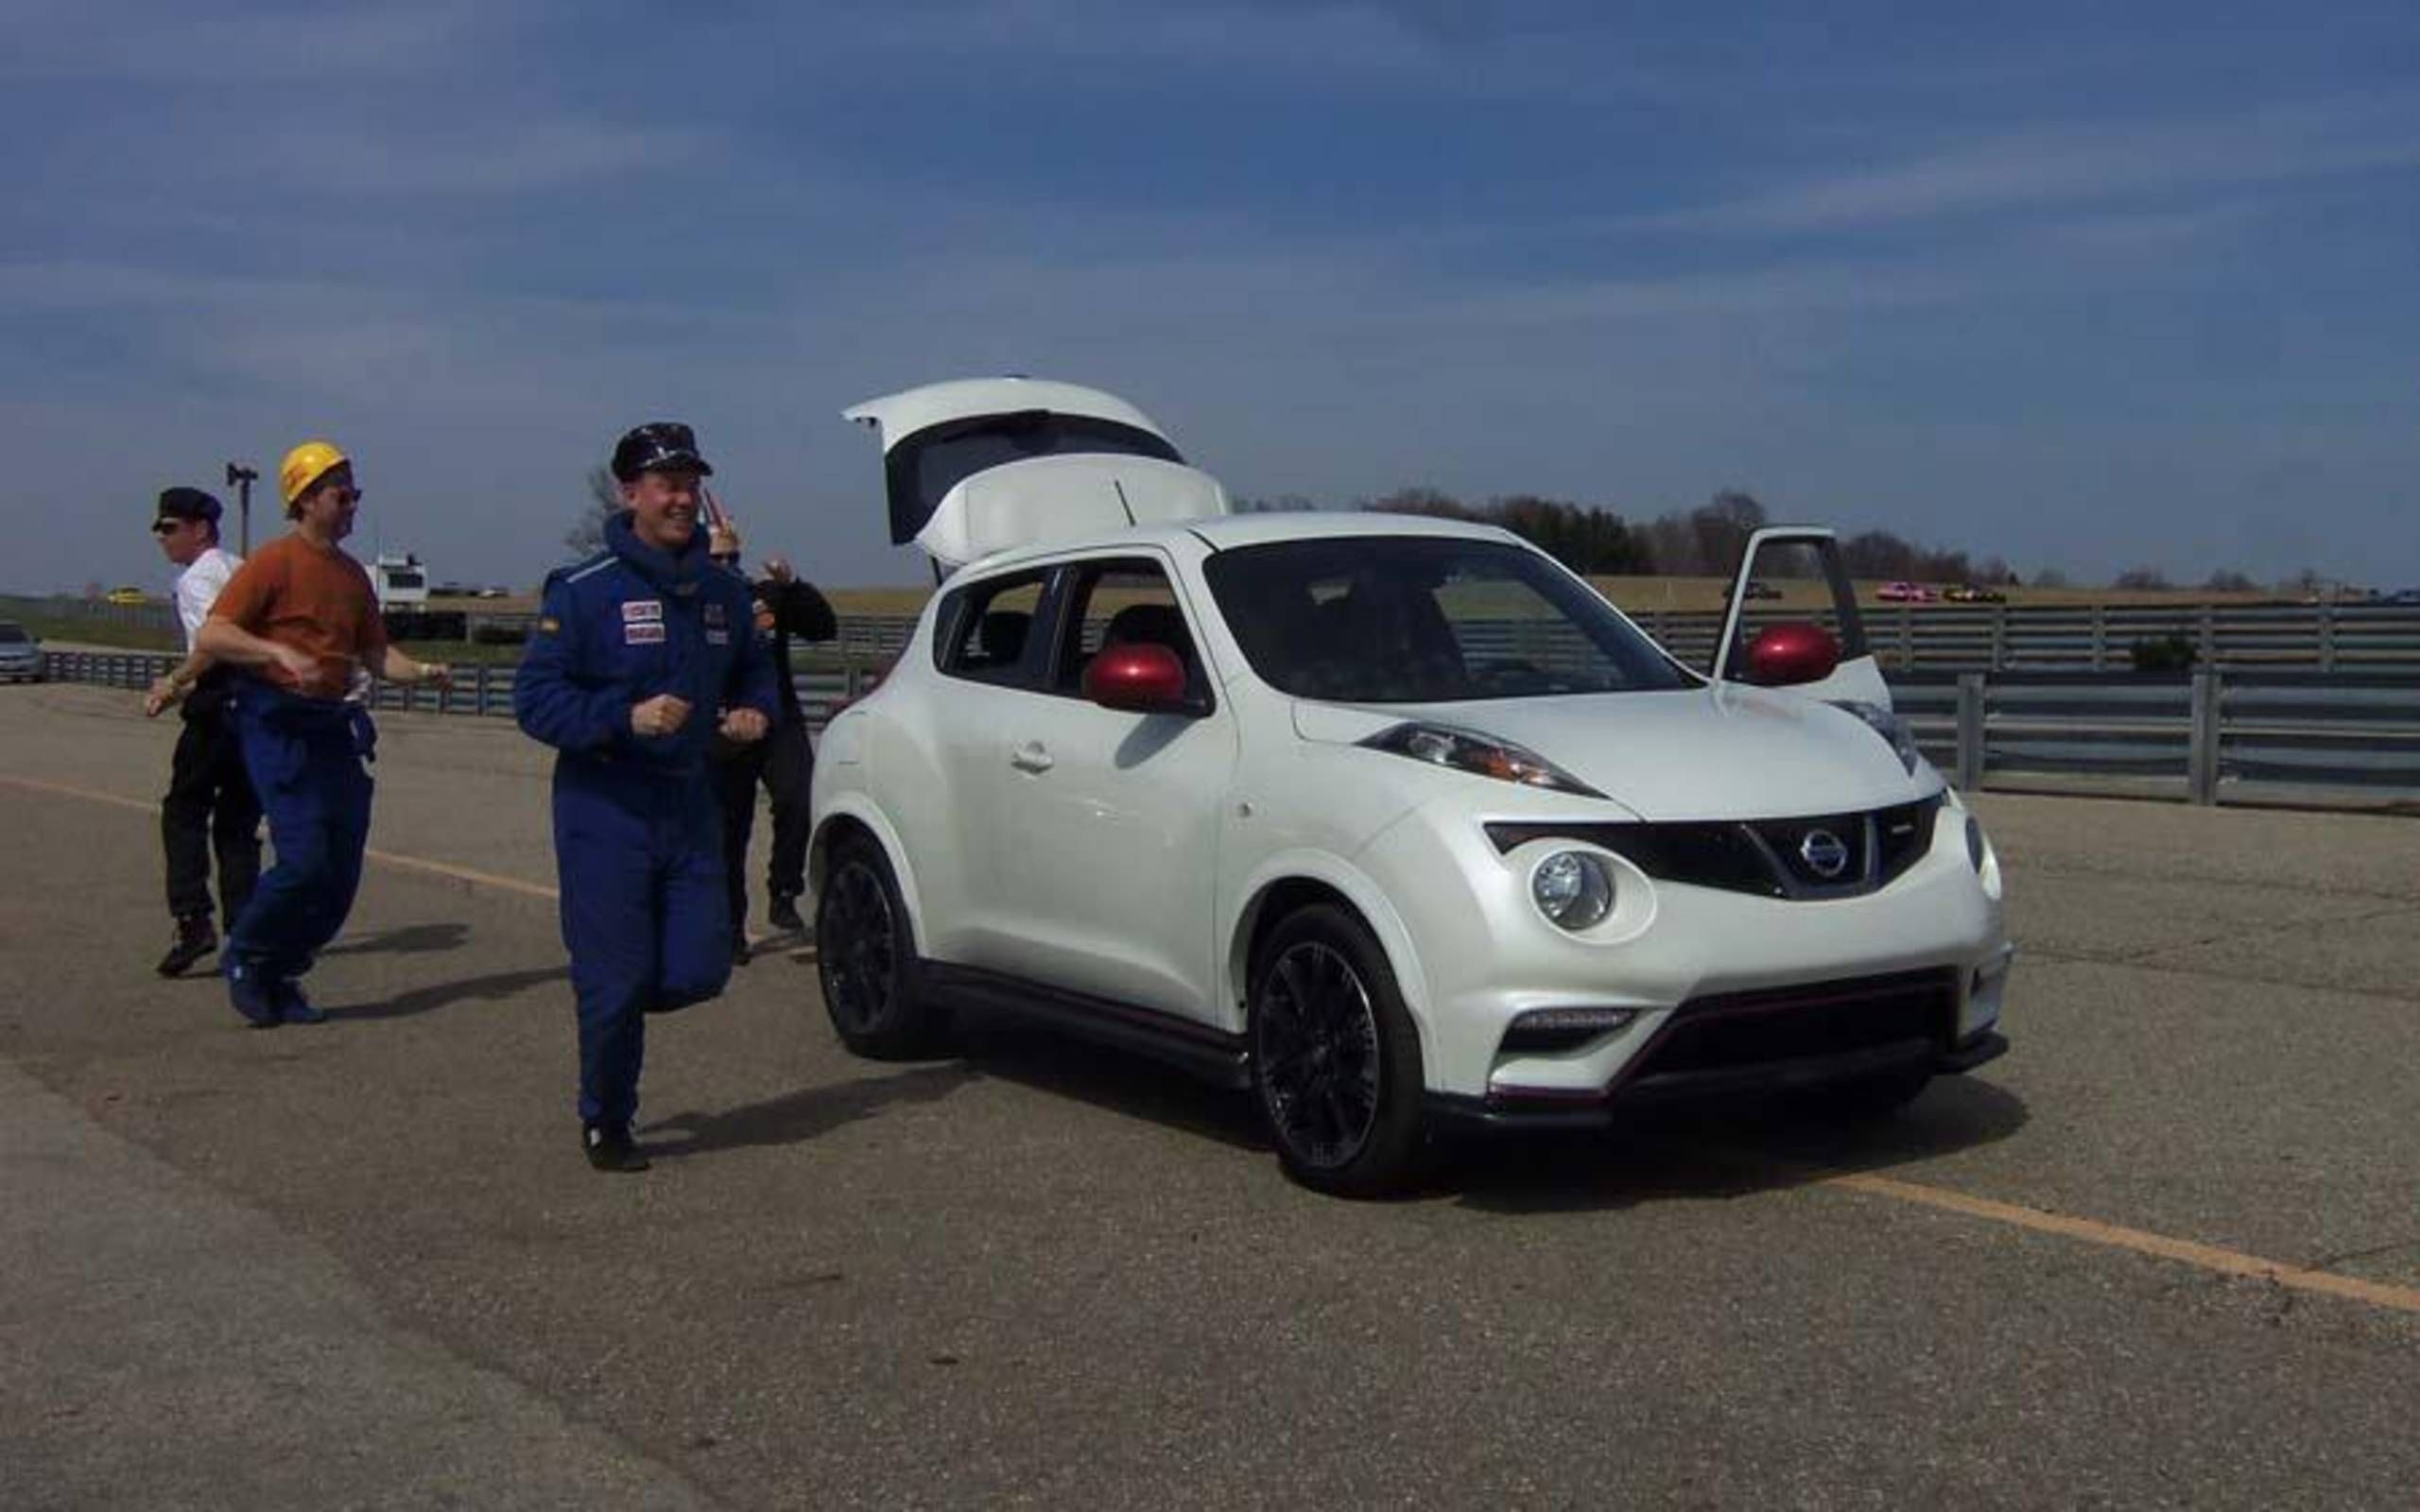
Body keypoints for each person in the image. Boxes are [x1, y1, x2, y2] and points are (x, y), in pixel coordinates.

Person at [515, 421, 778, 1173]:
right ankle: (608, 1118)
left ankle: (623, 997)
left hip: (690, 803)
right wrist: (620, 718)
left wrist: (756, 713)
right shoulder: (586, 590)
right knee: (612, 978)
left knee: (702, 967)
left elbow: (756, 672)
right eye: (667, 485)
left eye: (691, 484)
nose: (683, 499)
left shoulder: (724, 592)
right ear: (631, 492)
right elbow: (535, 700)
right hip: (606, 808)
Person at [196, 440, 452, 1026]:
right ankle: (250, 953)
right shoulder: (273, 562)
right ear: (306, 498)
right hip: (277, 720)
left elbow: (376, 653)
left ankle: (282, 971)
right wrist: (273, 650)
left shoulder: (351, 576)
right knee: (306, 857)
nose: (352, 504)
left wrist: (423, 672)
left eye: (355, 493)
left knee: (340, 869)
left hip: (332, 724)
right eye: (342, 494)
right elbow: (214, 636)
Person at [143, 487, 262, 976]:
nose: (162, 539)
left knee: (183, 811)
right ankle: (246, 929)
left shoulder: (197, 579)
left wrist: (174, 683)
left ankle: (193, 919)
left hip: (219, 705)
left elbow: (216, 642)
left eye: (170, 528)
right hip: (255, 705)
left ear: (200, 530)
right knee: (237, 822)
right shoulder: (240, 567)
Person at [706, 516, 836, 963]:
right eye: (715, 557)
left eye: (731, 556)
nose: (725, 564)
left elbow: (823, 627)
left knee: (799, 798)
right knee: (729, 828)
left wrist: (794, 585)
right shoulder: (688, 600)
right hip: (722, 727)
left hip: (777, 719)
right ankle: (729, 929)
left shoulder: (762, 595)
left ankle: (784, 890)